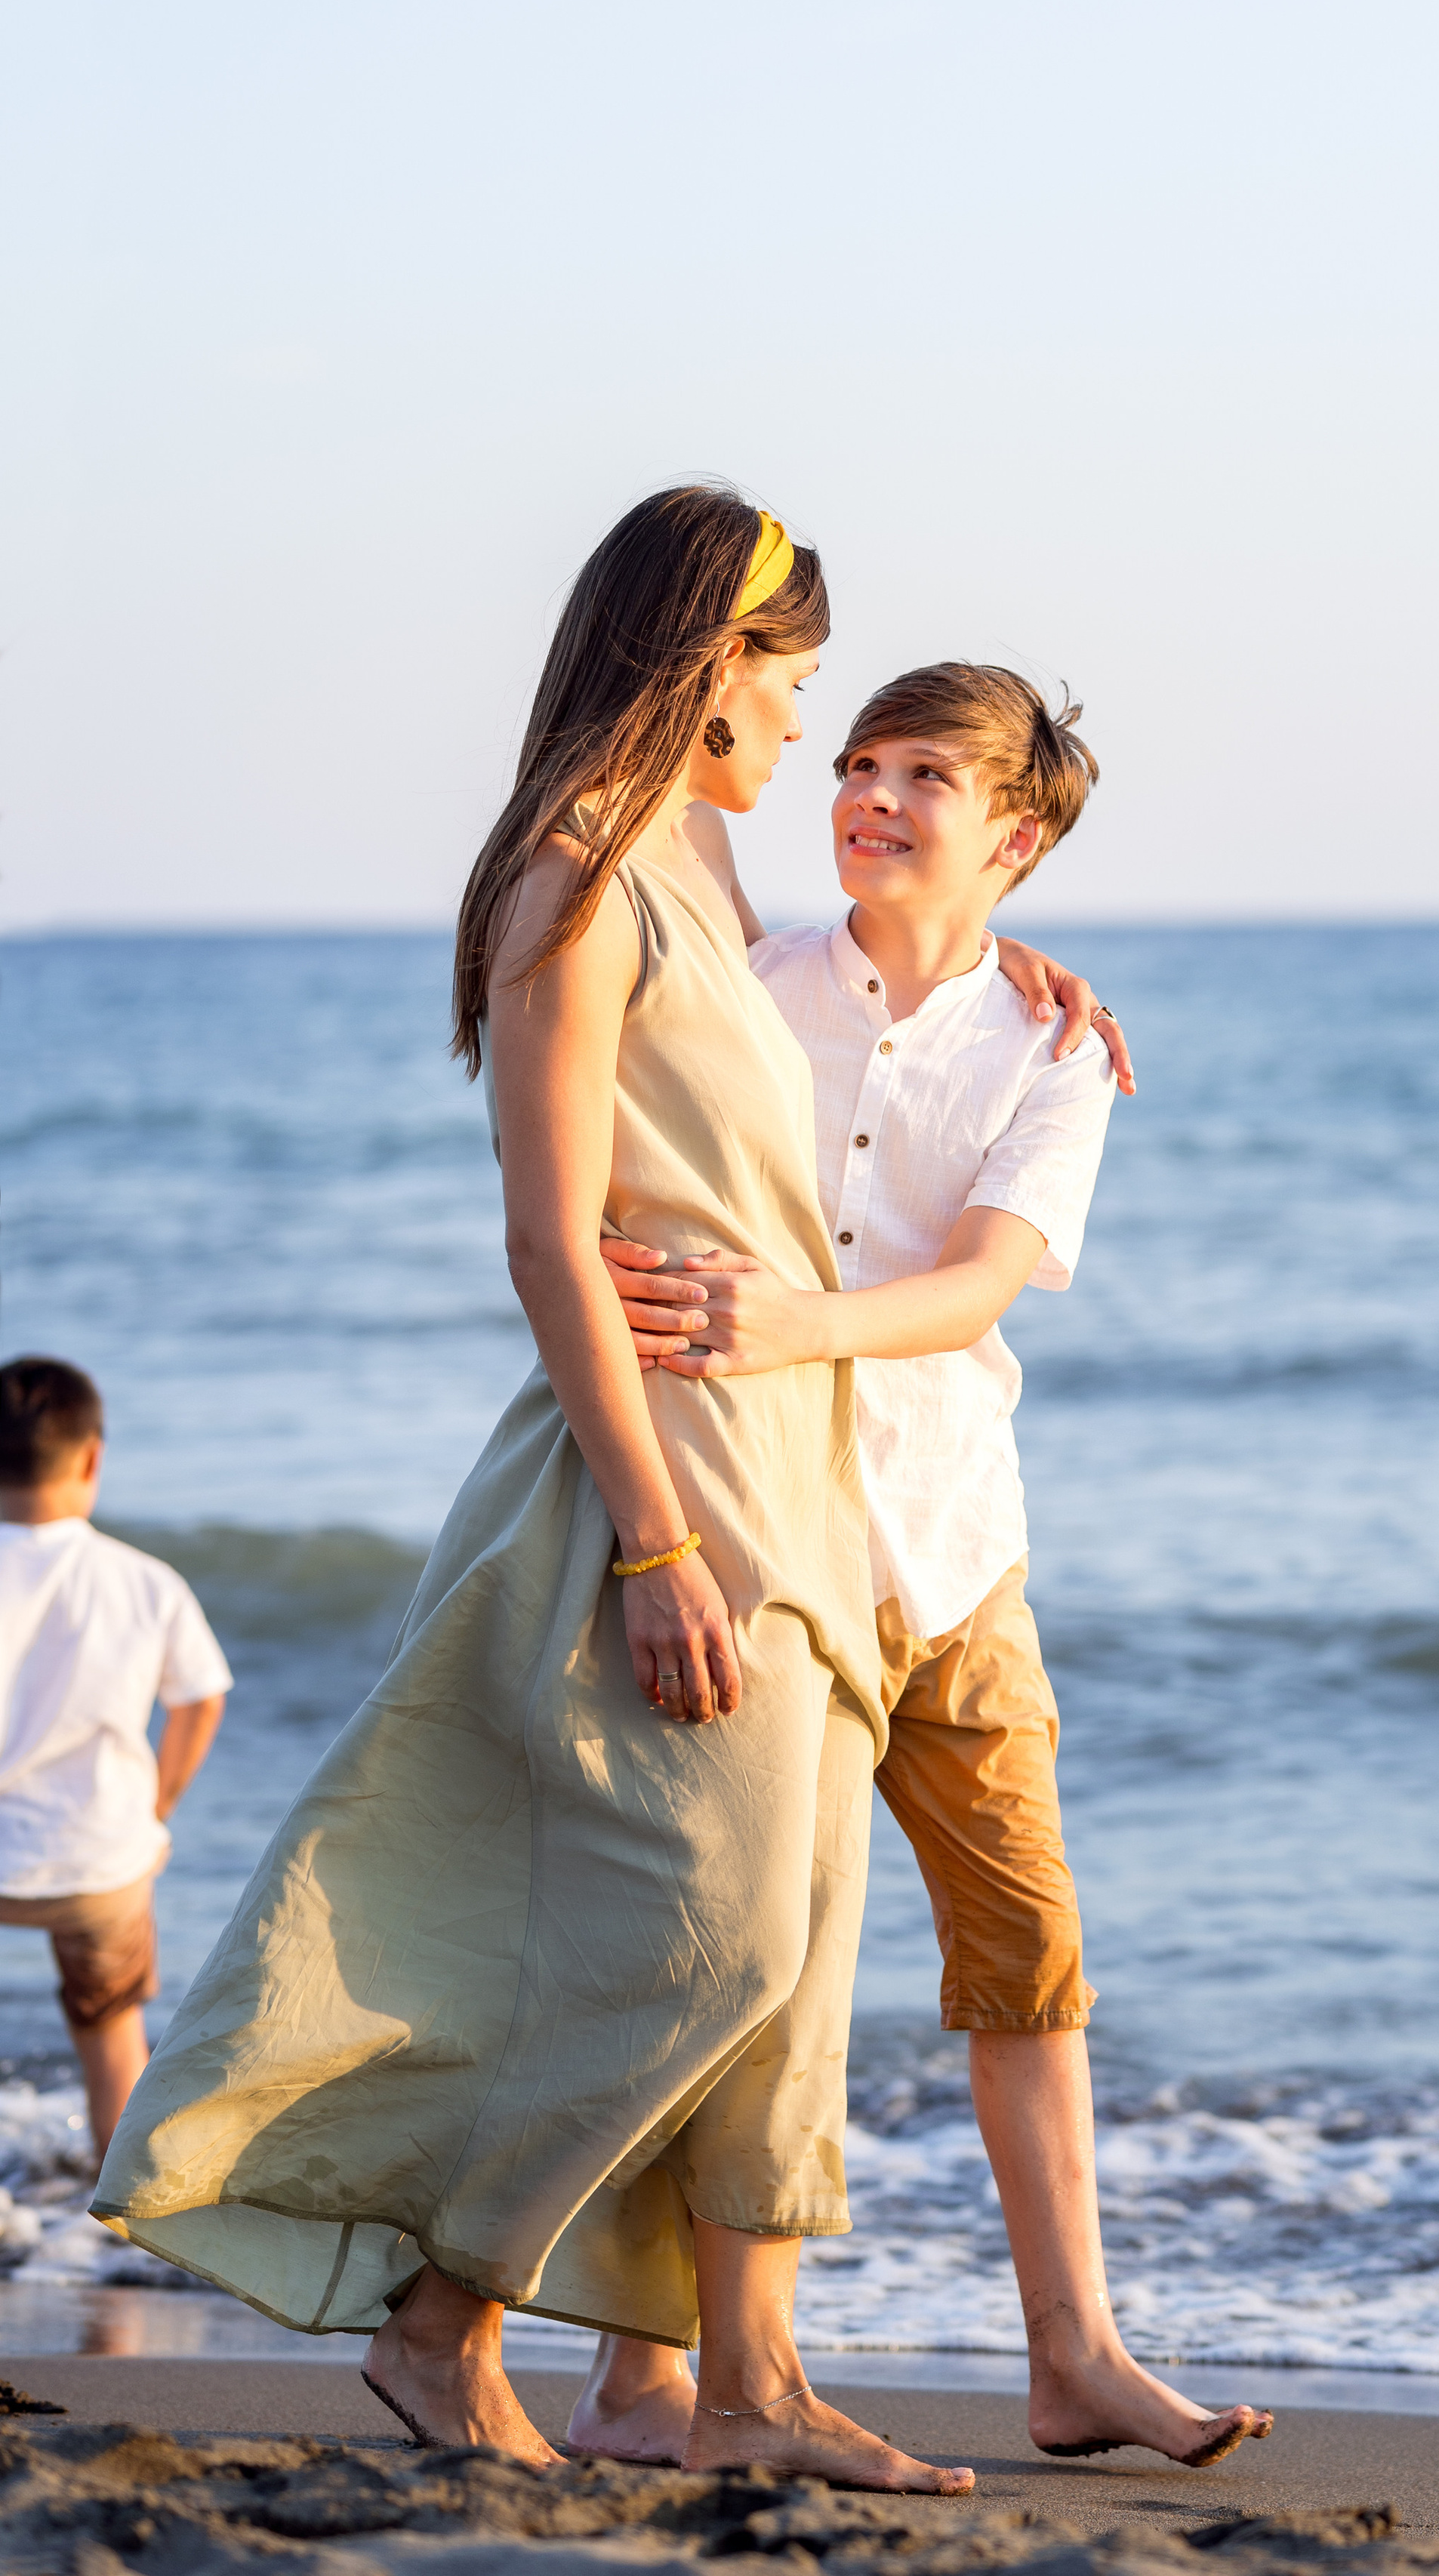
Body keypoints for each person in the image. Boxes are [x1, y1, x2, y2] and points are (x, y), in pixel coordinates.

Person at [94, 488, 980, 2491]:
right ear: (708, 660)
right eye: (794, 675)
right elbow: (552, 1238)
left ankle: (746, 2376)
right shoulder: (572, 882)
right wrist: (658, 1535)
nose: (804, 722)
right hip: (657, 1473)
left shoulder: (702, 866)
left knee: (804, 1938)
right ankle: (440, 2321)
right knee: (720, 1930)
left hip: (797, 1465)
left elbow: (851, 1033)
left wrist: (1028, 996)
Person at [579, 665, 1271, 2472]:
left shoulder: (1057, 1045)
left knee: (1026, 1956)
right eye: (859, 760)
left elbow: (977, 1280)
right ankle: (666, 2376)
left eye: (923, 777)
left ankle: (1076, 2357)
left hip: (953, 1554)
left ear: (1016, 836)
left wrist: (792, 1316)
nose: (869, 794)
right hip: (759, 1544)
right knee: (734, 1960)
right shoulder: (746, 990)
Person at [0, 1357, 230, 2165]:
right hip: (97, 1860)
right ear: (93, 1458)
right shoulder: (144, 1581)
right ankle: (112, 2224)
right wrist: (157, 1803)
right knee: (110, 2035)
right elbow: (202, 1696)